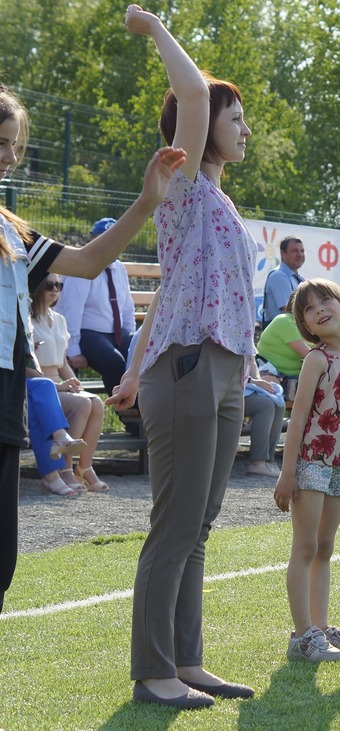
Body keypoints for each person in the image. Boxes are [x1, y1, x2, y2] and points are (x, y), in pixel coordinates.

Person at [1, 80, 185, 615]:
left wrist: (148, 199)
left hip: (8, 398)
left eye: (16, 145)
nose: (12, 157)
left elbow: (85, 261)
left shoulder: (11, 231)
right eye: (1, 143)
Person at [125, 4, 258, 707]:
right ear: (194, 130)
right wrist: (152, 29)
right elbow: (198, 94)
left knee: (200, 521)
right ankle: (153, 670)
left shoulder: (219, 203)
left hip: (225, 366)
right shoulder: (179, 184)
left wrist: (125, 368)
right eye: (235, 119)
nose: (243, 129)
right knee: (176, 520)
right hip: (188, 366)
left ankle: (187, 659)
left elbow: (179, 288)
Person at [273, 279, 340, 660]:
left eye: (325, 300)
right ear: (307, 325)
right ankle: (303, 635)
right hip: (312, 462)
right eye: (310, 309)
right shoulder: (316, 360)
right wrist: (287, 473)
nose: (320, 309)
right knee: (306, 546)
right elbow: (296, 421)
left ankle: (321, 626)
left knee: (326, 547)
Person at [30, 273, 109, 491]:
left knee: (95, 402)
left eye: (59, 285)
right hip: (41, 386)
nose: (55, 289)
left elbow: (63, 362)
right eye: (49, 285)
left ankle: (84, 466)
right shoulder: (26, 320)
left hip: (59, 384)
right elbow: (26, 368)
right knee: (83, 404)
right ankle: (65, 468)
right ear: (36, 287)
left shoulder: (60, 319)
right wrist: (60, 386)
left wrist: (72, 381)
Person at [52, 217, 137, 396]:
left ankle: (143, 409)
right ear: (92, 240)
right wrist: (73, 349)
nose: (109, 244)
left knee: (141, 355)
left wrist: (130, 338)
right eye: (102, 238)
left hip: (115, 333)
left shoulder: (119, 268)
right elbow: (72, 310)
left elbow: (127, 307)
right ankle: (128, 413)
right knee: (114, 361)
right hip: (86, 333)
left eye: (115, 239)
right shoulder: (83, 268)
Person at [257, 309, 310, 401]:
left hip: (296, 379)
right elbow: (309, 355)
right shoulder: (285, 321)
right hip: (272, 375)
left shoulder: (311, 326)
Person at [262, 236, 305, 328]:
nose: (300, 254)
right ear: (283, 253)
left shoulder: (299, 278)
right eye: (294, 251)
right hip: (281, 336)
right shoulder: (278, 276)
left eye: (302, 251)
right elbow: (289, 309)